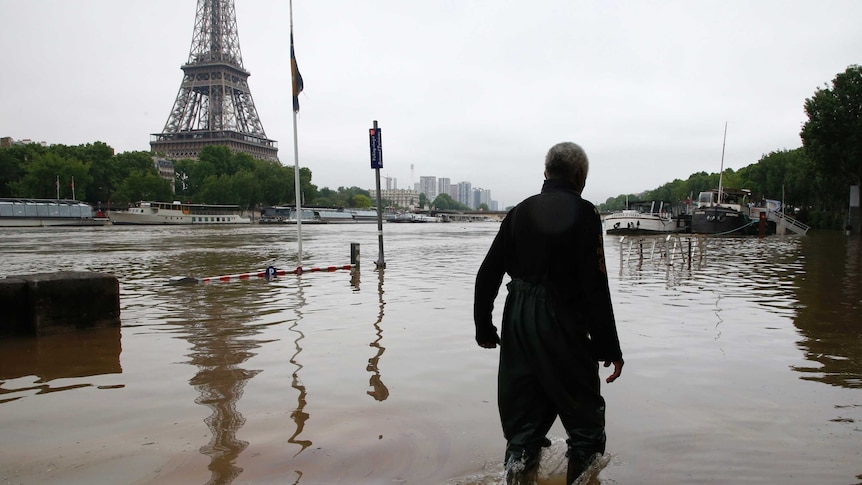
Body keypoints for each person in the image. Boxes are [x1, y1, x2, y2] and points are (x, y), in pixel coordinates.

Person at [473, 142, 624, 484]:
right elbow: (595, 284)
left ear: (545, 173)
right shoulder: (585, 213)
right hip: (560, 319)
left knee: (523, 427)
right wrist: (608, 347)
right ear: (580, 176)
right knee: (585, 425)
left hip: (517, 320)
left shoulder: (518, 212)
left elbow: (488, 274)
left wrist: (485, 328)